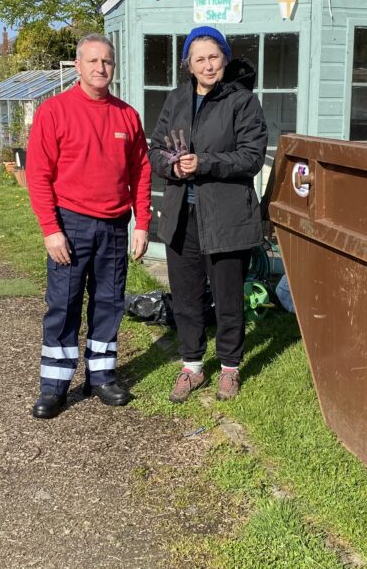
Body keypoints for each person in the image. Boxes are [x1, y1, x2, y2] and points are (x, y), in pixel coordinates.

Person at [25, 33, 152, 419]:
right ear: (77, 66)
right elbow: (38, 174)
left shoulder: (127, 116)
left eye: (107, 61)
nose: (101, 68)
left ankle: (101, 377)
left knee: (109, 303)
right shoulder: (54, 111)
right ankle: (55, 386)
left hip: (114, 226)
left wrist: (141, 223)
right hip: (70, 224)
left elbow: (141, 171)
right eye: (93, 61)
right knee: (63, 306)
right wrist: (51, 228)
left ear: (114, 67)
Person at [148, 26, 268, 403]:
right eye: (199, 58)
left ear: (225, 58)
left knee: (228, 296)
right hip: (181, 215)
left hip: (227, 215)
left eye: (213, 57)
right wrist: (173, 167)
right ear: (189, 64)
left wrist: (204, 163)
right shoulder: (177, 99)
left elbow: (251, 156)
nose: (207, 65)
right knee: (185, 296)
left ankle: (230, 367)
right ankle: (193, 366)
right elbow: (155, 150)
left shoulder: (242, 101)